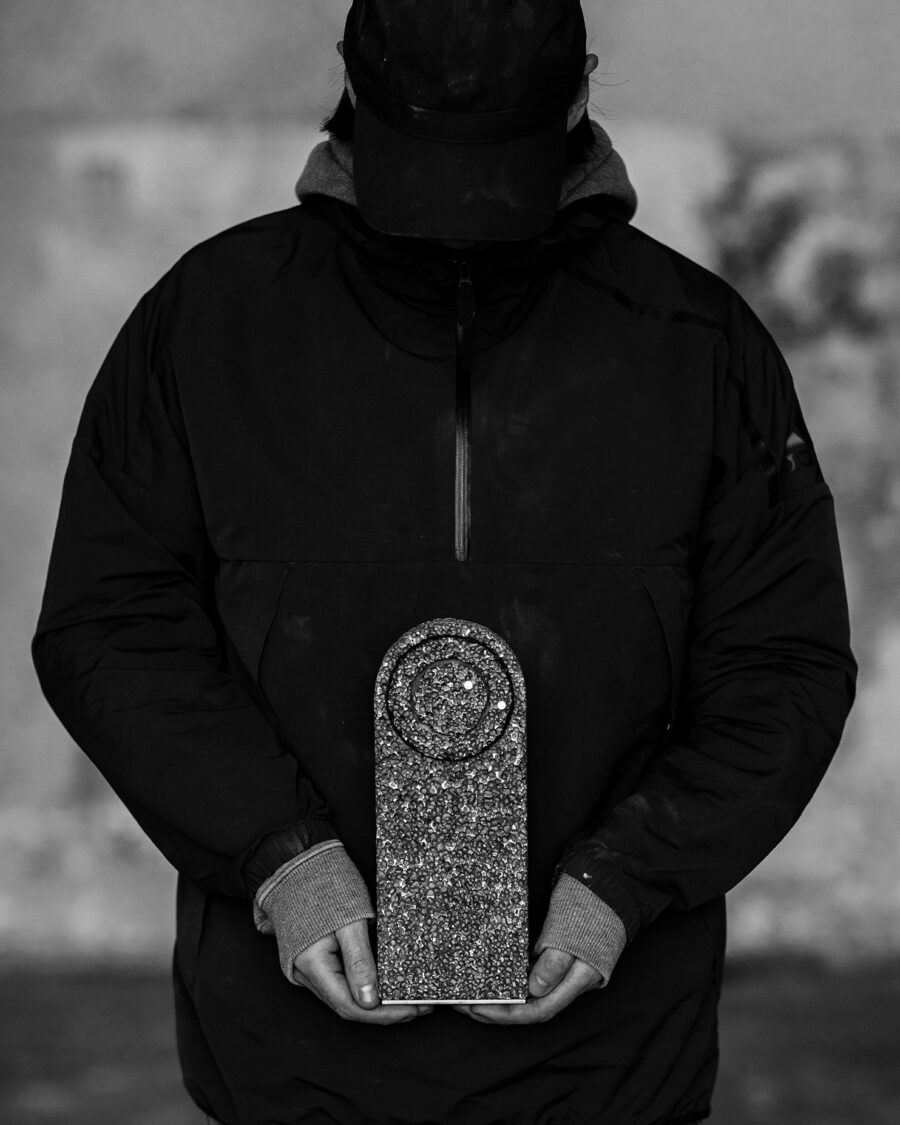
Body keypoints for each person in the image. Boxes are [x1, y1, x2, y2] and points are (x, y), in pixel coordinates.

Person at [32, 1, 857, 1122]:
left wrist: (626, 881)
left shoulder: (698, 347)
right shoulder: (204, 326)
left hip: (609, 1057)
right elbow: (110, 627)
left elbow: (783, 665)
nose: (458, 228)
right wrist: (281, 860)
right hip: (290, 1058)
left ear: (579, 92)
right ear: (351, 89)